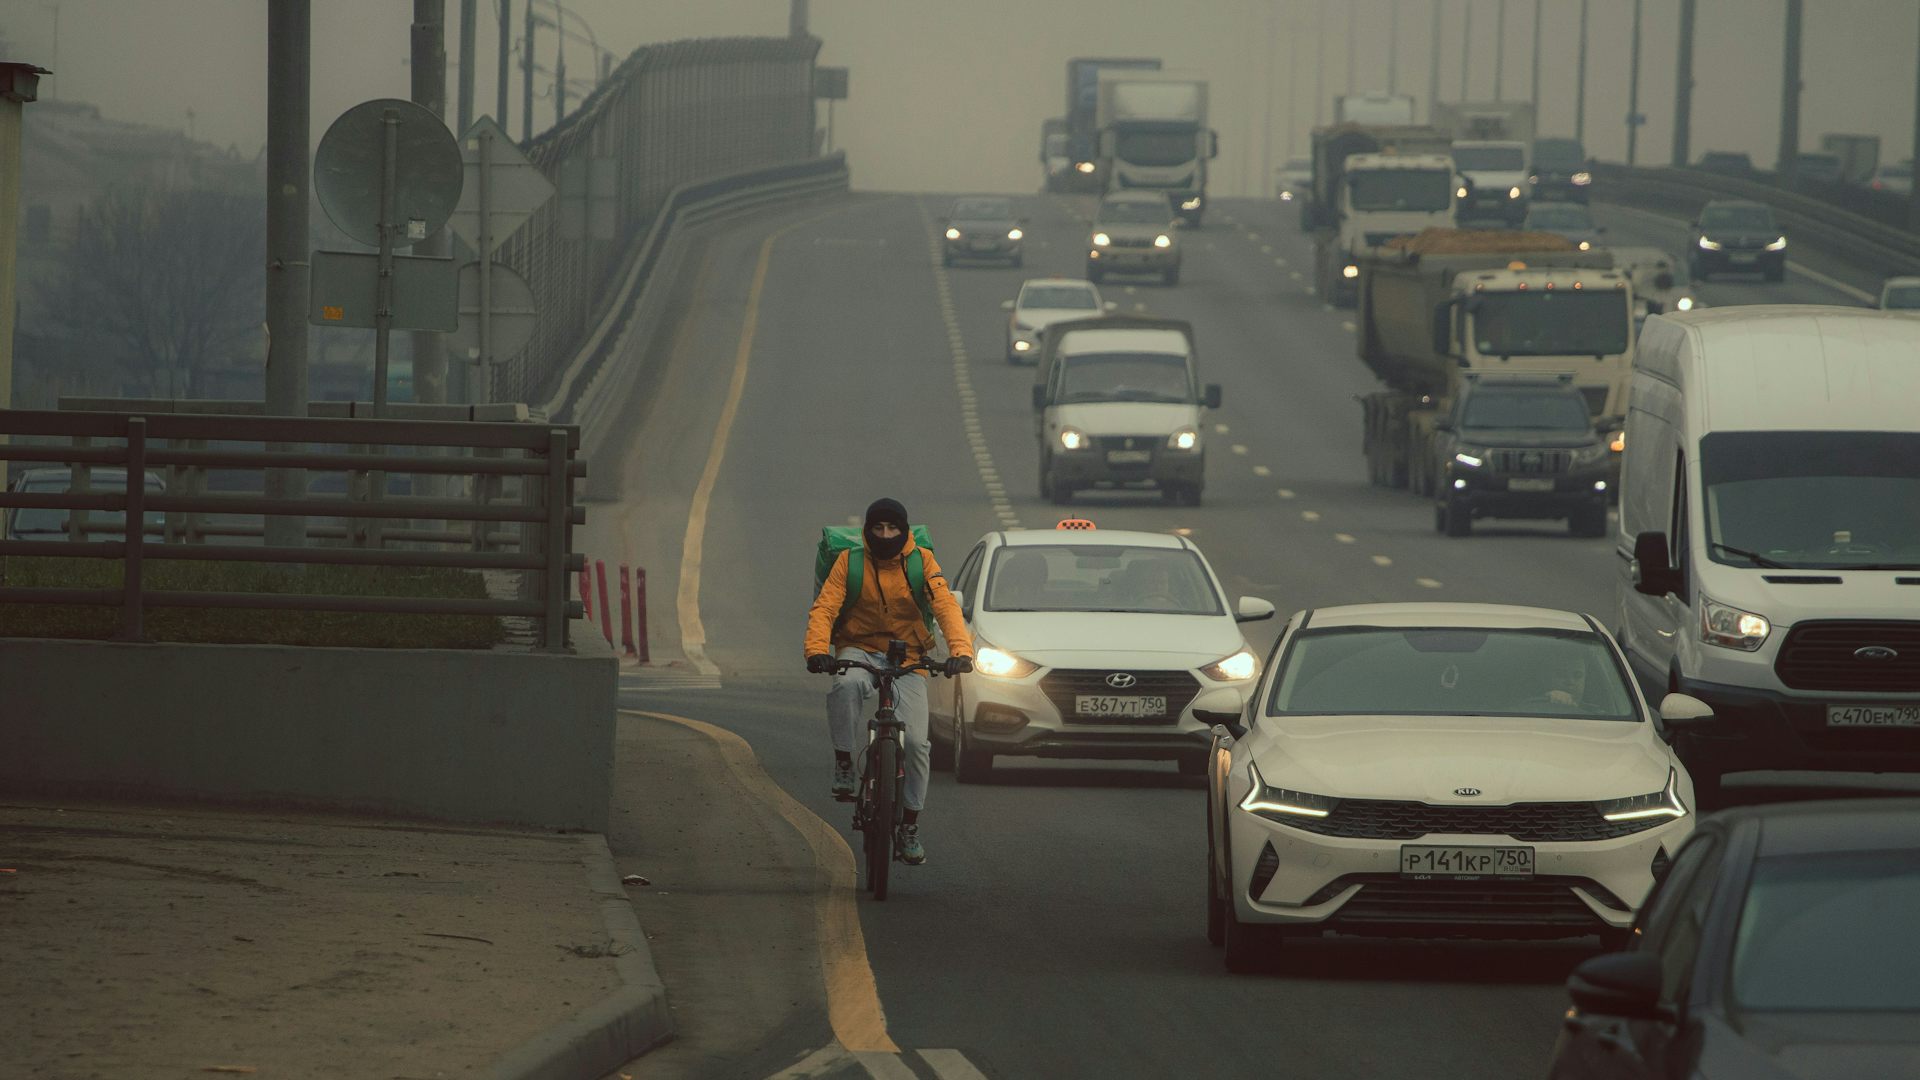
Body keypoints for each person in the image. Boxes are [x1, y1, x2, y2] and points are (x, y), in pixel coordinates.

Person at [805, 498, 973, 866]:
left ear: (904, 531)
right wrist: (818, 650)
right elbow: (825, 607)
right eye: (878, 529)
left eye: (892, 529)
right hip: (858, 649)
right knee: (845, 686)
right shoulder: (848, 562)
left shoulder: (921, 563)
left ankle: (910, 825)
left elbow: (944, 605)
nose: (885, 535)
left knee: (916, 744)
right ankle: (845, 762)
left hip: (908, 656)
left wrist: (961, 651)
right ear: (867, 531)